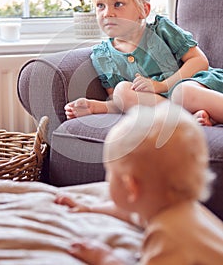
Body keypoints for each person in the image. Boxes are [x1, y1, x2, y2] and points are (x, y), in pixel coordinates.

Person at [56, 103, 223, 264]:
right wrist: (89, 208)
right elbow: (131, 213)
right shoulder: (173, 208)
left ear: (131, 186)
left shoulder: (167, 236)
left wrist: (104, 258)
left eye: (111, 172)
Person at [65, 0, 223, 126]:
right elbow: (121, 104)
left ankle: (199, 113)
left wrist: (162, 85)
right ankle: (188, 119)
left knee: (182, 92)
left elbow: (199, 61)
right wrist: (95, 107)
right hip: (163, 106)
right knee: (122, 91)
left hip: (197, 86)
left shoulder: (162, 30)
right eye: (100, 5)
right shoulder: (103, 57)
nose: (107, 13)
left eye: (118, 4)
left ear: (144, 10)